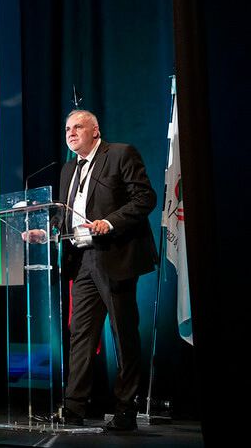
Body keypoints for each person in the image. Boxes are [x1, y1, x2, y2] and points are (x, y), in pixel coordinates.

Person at [25, 109, 157, 431]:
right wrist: (48, 232)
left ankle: (126, 410)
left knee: (123, 334)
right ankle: (73, 409)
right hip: (83, 259)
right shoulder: (68, 169)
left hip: (115, 256)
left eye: (78, 127)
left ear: (95, 131)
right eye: (67, 129)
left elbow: (145, 198)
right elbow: (65, 216)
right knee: (81, 334)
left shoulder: (121, 154)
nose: (70, 133)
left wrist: (109, 222)